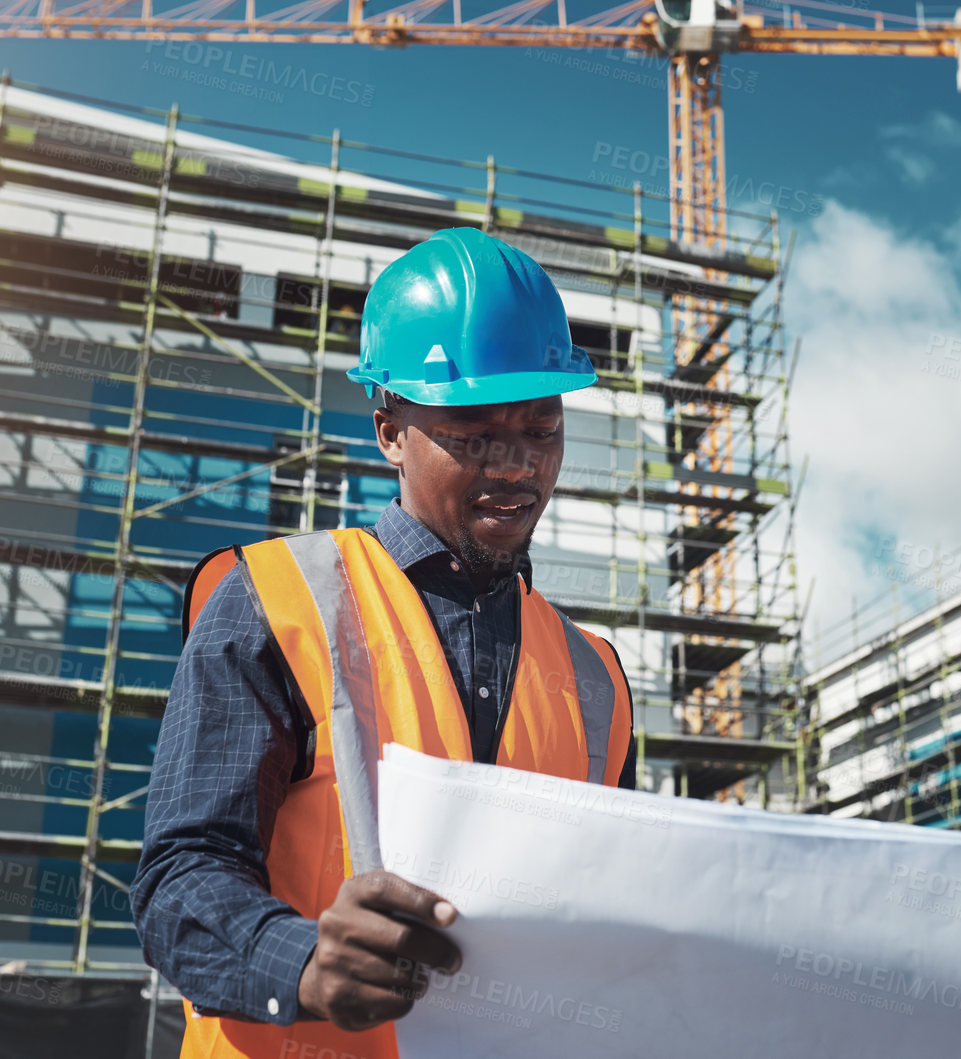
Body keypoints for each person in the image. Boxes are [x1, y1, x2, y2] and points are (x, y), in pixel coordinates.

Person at [132, 227, 637, 1059]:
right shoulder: (274, 600)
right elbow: (179, 877)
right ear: (389, 430)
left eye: (541, 429)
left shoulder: (596, 678)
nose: (516, 466)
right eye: (472, 432)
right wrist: (296, 959)